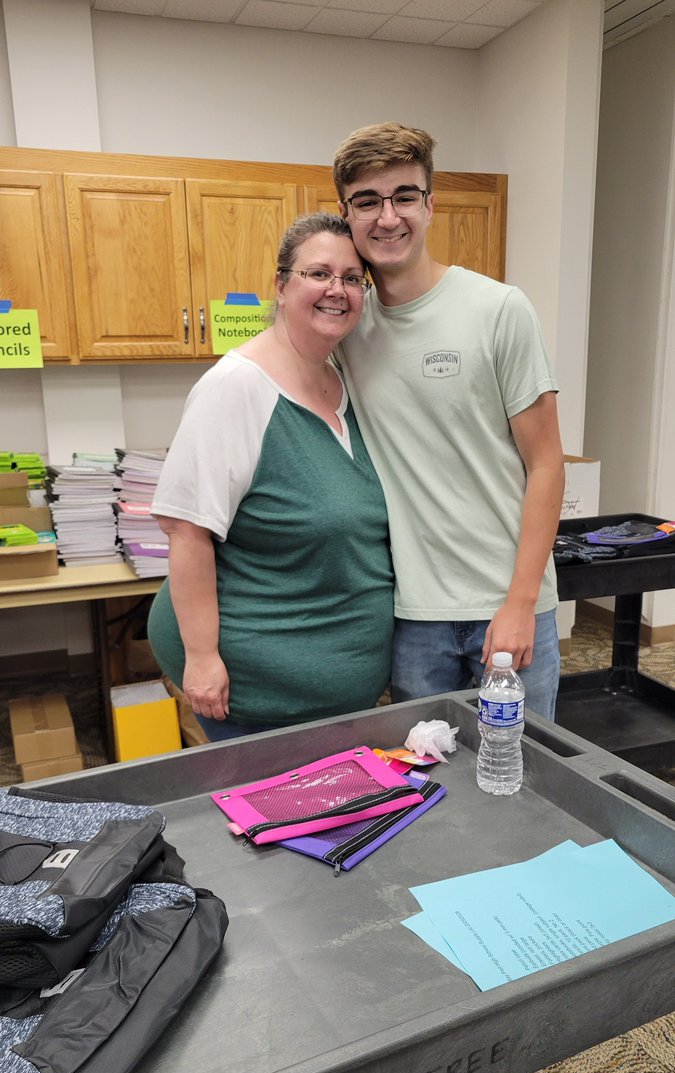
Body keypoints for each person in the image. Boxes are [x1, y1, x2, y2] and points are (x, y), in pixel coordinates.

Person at [332, 122, 565, 720]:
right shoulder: (347, 328)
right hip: (414, 617)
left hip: (508, 605)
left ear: (430, 205)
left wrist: (520, 602)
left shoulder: (499, 309)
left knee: (521, 767)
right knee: (430, 772)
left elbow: (546, 464)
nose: (388, 217)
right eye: (367, 201)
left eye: (404, 197)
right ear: (347, 214)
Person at [147, 212, 394, 740]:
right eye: (318, 273)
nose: (337, 290)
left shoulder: (346, 382)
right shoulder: (236, 388)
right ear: (281, 287)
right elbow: (186, 531)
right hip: (253, 691)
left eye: (353, 278)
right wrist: (202, 658)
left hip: (338, 692)